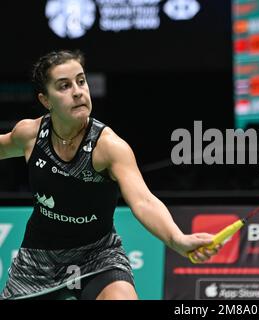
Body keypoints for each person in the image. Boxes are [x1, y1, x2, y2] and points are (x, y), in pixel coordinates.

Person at [0, 50, 219, 300]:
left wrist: (177, 239)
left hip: (98, 256)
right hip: (38, 261)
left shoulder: (109, 147)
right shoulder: (29, 135)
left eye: (81, 81)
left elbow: (143, 200)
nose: (77, 91)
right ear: (46, 100)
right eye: (64, 86)